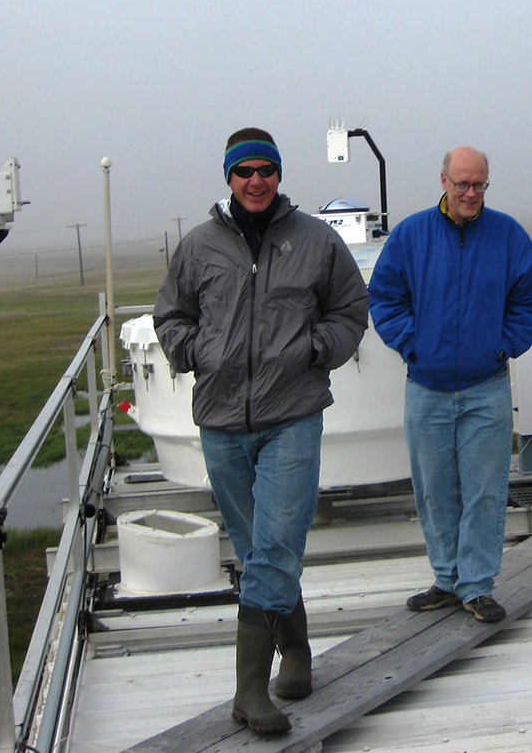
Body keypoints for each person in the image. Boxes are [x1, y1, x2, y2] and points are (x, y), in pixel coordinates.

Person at [154, 127, 369, 734]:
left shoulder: (316, 241)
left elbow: (352, 308)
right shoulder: (198, 246)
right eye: (244, 170)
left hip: (292, 415)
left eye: (266, 170)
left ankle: (248, 693)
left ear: (279, 175)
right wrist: (194, 351)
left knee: (274, 544)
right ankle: (296, 652)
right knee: (257, 552)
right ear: (228, 177)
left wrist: (314, 348)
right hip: (221, 420)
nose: (256, 181)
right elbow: (171, 313)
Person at [368, 146, 532, 623]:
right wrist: (412, 344)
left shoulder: (508, 236)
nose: (472, 193)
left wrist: (504, 344)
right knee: (434, 488)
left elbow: (531, 298)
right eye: (463, 184)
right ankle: (447, 580)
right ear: (443, 180)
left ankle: (477, 585)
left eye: (480, 185)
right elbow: (384, 296)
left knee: (486, 489)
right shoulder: (411, 235)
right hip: (425, 386)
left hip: (486, 386)